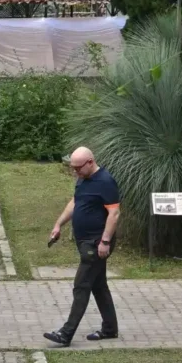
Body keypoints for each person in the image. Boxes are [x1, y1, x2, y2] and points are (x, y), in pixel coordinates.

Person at [44, 146, 120, 346]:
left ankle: (66, 334)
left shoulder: (105, 181)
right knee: (98, 285)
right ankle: (110, 329)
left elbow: (114, 214)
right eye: (73, 168)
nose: (75, 172)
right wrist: (58, 224)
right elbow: (75, 202)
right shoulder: (83, 179)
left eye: (78, 168)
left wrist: (105, 241)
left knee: (81, 285)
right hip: (84, 241)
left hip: (96, 243)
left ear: (90, 162)